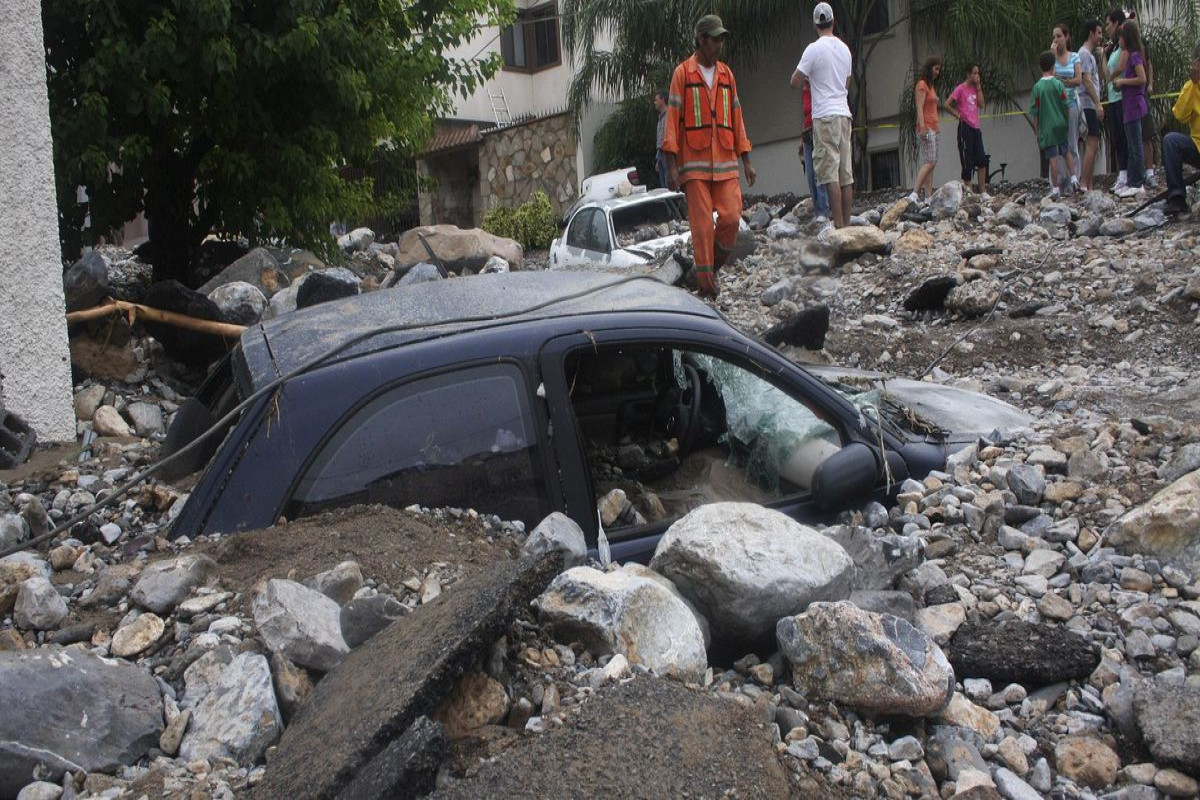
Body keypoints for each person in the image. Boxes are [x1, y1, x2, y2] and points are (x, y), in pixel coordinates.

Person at [663, 14, 756, 298]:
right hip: (694, 167)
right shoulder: (683, 73)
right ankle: (706, 287)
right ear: (701, 40)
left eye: (721, 39)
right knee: (702, 227)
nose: (719, 44)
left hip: (726, 163)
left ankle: (708, 271)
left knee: (731, 217)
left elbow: (737, 118)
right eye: (714, 39)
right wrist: (672, 167)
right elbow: (672, 120)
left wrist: (747, 161)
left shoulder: (727, 75)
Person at [791, 2, 854, 228]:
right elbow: (846, 84)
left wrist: (811, 78)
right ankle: (846, 224)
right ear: (833, 21)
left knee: (830, 173)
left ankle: (837, 225)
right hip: (844, 113)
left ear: (815, 24)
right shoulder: (845, 49)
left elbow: (794, 81)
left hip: (824, 116)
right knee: (846, 173)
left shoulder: (813, 49)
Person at [1162, 40, 1200, 214]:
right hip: (1197, 146)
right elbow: (1181, 115)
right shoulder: (1192, 86)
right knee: (1171, 141)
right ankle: (1177, 198)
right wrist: (1193, 84)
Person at [1113, 21, 1149, 198]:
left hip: (1134, 106)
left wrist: (1122, 82)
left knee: (1135, 146)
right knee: (1131, 144)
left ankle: (1137, 181)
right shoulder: (1131, 56)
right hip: (1128, 105)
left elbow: (1142, 78)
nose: (1118, 40)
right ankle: (1131, 181)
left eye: (1120, 36)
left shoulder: (1134, 56)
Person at [1031, 51, 1071, 198]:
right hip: (1060, 124)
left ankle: (1055, 188)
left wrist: (1037, 130)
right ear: (1054, 66)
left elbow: (1034, 111)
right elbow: (1066, 103)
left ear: (1040, 67)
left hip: (1047, 129)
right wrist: (1066, 121)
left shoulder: (1037, 88)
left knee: (1053, 158)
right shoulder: (1058, 84)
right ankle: (1074, 178)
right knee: (1066, 152)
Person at [947, 63, 990, 197]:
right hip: (965, 128)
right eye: (975, 73)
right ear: (968, 74)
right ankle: (969, 190)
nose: (977, 76)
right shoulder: (960, 89)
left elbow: (982, 104)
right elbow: (947, 104)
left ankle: (982, 190)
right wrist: (958, 116)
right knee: (967, 160)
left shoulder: (975, 89)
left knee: (982, 159)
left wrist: (978, 87)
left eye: (978, 73)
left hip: (976, 127)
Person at [1100, 9, 1129, 190]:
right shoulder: (1115, 48)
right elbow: (1107, 75)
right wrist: (1103, 55)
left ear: (1117, 23)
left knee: (1126, 138)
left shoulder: (1126, 45)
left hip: (1123, 96)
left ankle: (1131, 175)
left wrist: (1111, 77)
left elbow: (1119, 69)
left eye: (1108, 23)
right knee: (1117, 138)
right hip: (1112, 96)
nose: (1106, 27)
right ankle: (1122, 174)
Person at [1052, 22, 1082, 189]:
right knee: (1056, 144)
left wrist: (1063, 82)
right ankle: (1058, 182)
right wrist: (1052, 55)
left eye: (1059, 36)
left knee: (1071, 143)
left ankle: (1075, 179)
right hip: (1055, 106)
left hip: (1070, 104)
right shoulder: (1052, 58)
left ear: (1066, 37)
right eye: (1054, 37)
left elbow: (1078, 80)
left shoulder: (1075, 57)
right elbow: (1050, 77)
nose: (1056, 40)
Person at [909, 57, 942, 203]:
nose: (937, 72)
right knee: (930, 161)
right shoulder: (922, 85)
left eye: (939, 69)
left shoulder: (931, 86)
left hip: (934, 126)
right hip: (927, 127)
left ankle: (928, 196)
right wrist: (922, 126)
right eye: (936, 69)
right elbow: (919, 107)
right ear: (930, 68)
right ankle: (915, 193)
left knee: (931, 163)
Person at [1077, 20, 1105, 191]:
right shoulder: (1084, 54)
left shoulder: (1091, 55)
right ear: (1091, 33)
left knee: (1093, 144)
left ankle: (1090, 184)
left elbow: (1096, 78)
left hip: (1090, 104)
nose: (1101, 36)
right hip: (1087, 104)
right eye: (1099, 33)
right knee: (1091, 143)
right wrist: (1097, 103)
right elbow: (1086, 80)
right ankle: (1084, 183)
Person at [800, 80, 833, 221]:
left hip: (819, 131)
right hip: (807, 134)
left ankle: (823, 211)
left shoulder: (819, 87)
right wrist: (801, 139)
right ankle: (818, 210)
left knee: (820, 173)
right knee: (810, 173)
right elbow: (806, 115)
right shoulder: (805, 91)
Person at [653, 91, 669, 188]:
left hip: (668, 153)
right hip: (661, 154)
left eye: (656, 100)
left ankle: (674, 203)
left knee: (670, 184)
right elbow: (659, 140)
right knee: (664, 187)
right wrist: (658, 159)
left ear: (662, 100)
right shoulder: (660, 118)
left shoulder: (669, 116)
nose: (655, 102)